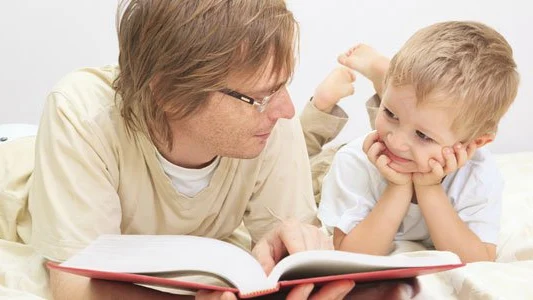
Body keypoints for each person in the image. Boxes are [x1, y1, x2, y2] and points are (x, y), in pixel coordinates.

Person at [0, 1, 361, 299]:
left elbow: (287, 256)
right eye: (260, 97)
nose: (285, 110)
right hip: (20, 182)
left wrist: (295, 251)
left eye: (282, 87)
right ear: (169, 93)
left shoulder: (270, 125)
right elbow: (75, 286)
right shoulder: (80, 113)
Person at [315, 21, 519, 263]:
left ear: (472, 144)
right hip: (319, 173)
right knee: (302, 159)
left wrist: (429, 188)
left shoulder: (478, 174)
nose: (396, 141)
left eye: (424, 136)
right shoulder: (354, 160)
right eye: (389, 112)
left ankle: (384, 77)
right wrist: (398, 187)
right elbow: (350, 257)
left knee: (408, 118)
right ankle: (359, 88)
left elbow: (479, 262)